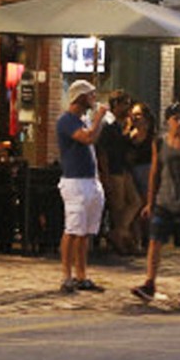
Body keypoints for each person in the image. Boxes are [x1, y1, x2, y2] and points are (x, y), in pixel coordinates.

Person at [131, 103, 180, 310]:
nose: (179, 122)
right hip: (164, 200)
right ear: (168, 121)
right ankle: (150, 283)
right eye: (175, 118)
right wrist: (150, 201)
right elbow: (155, 172)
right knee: (155, 242)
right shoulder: (160, 143)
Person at [56, 80, 108, 293]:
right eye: (90, 95)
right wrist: (98, 119)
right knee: (73, 229)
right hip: (75, 181)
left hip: (90, 180)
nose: (94, 99)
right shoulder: (67, 121)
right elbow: (86, 138)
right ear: (80, 97)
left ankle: (82, 274)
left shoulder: (83, 120)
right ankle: (66, 275)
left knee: (85, 231)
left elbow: (92, 138)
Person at [98, 90, 139, 255]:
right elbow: (102, 152)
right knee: (118, 206)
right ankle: (121, 239)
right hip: (114, 170)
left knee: (135, 201)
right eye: (125, 104)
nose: (127, 107)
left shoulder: (120, 125)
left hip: (124, 169)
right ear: (116, 105)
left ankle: (119, 232)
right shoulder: (108, 125)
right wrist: (105, 174)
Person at [127, 103, 156, 249]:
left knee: (148, 205)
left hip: (147, 173)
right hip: (132, 173)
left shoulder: (152, 138)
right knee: (136, 206)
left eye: (138, 115)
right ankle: (136, 240)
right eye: (133, 114)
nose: (135, 118)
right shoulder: (129, 134)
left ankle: (148, 239)